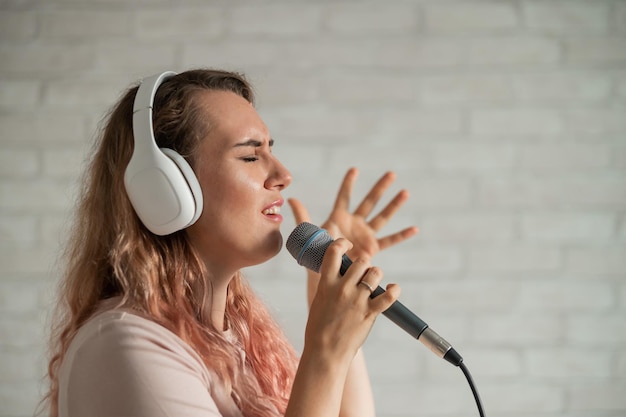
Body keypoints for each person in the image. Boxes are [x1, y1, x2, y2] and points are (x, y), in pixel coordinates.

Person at [43, 68, 418, 417]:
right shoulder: (125, 345)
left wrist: (329, 291)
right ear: (166, 186)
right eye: (251, 155)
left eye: (271, 150)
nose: (284, 175)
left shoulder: (237, 337)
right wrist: (325, 352)